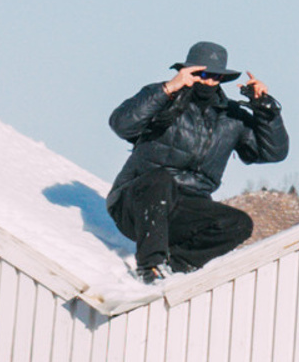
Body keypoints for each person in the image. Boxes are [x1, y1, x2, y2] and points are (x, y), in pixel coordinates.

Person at [105, 40, 289, 282]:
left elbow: (273, 153)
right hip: (136, 204)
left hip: (185, 209)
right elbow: (121, 124)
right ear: (187, 72)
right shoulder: (162, 98)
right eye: (202, 74)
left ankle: (177, 267)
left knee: (239, 223)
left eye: (216, 76)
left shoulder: (232, 117)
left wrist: (266, 111)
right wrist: (168, 88)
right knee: (161, 180)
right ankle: (150, 268)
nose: (209, 81)